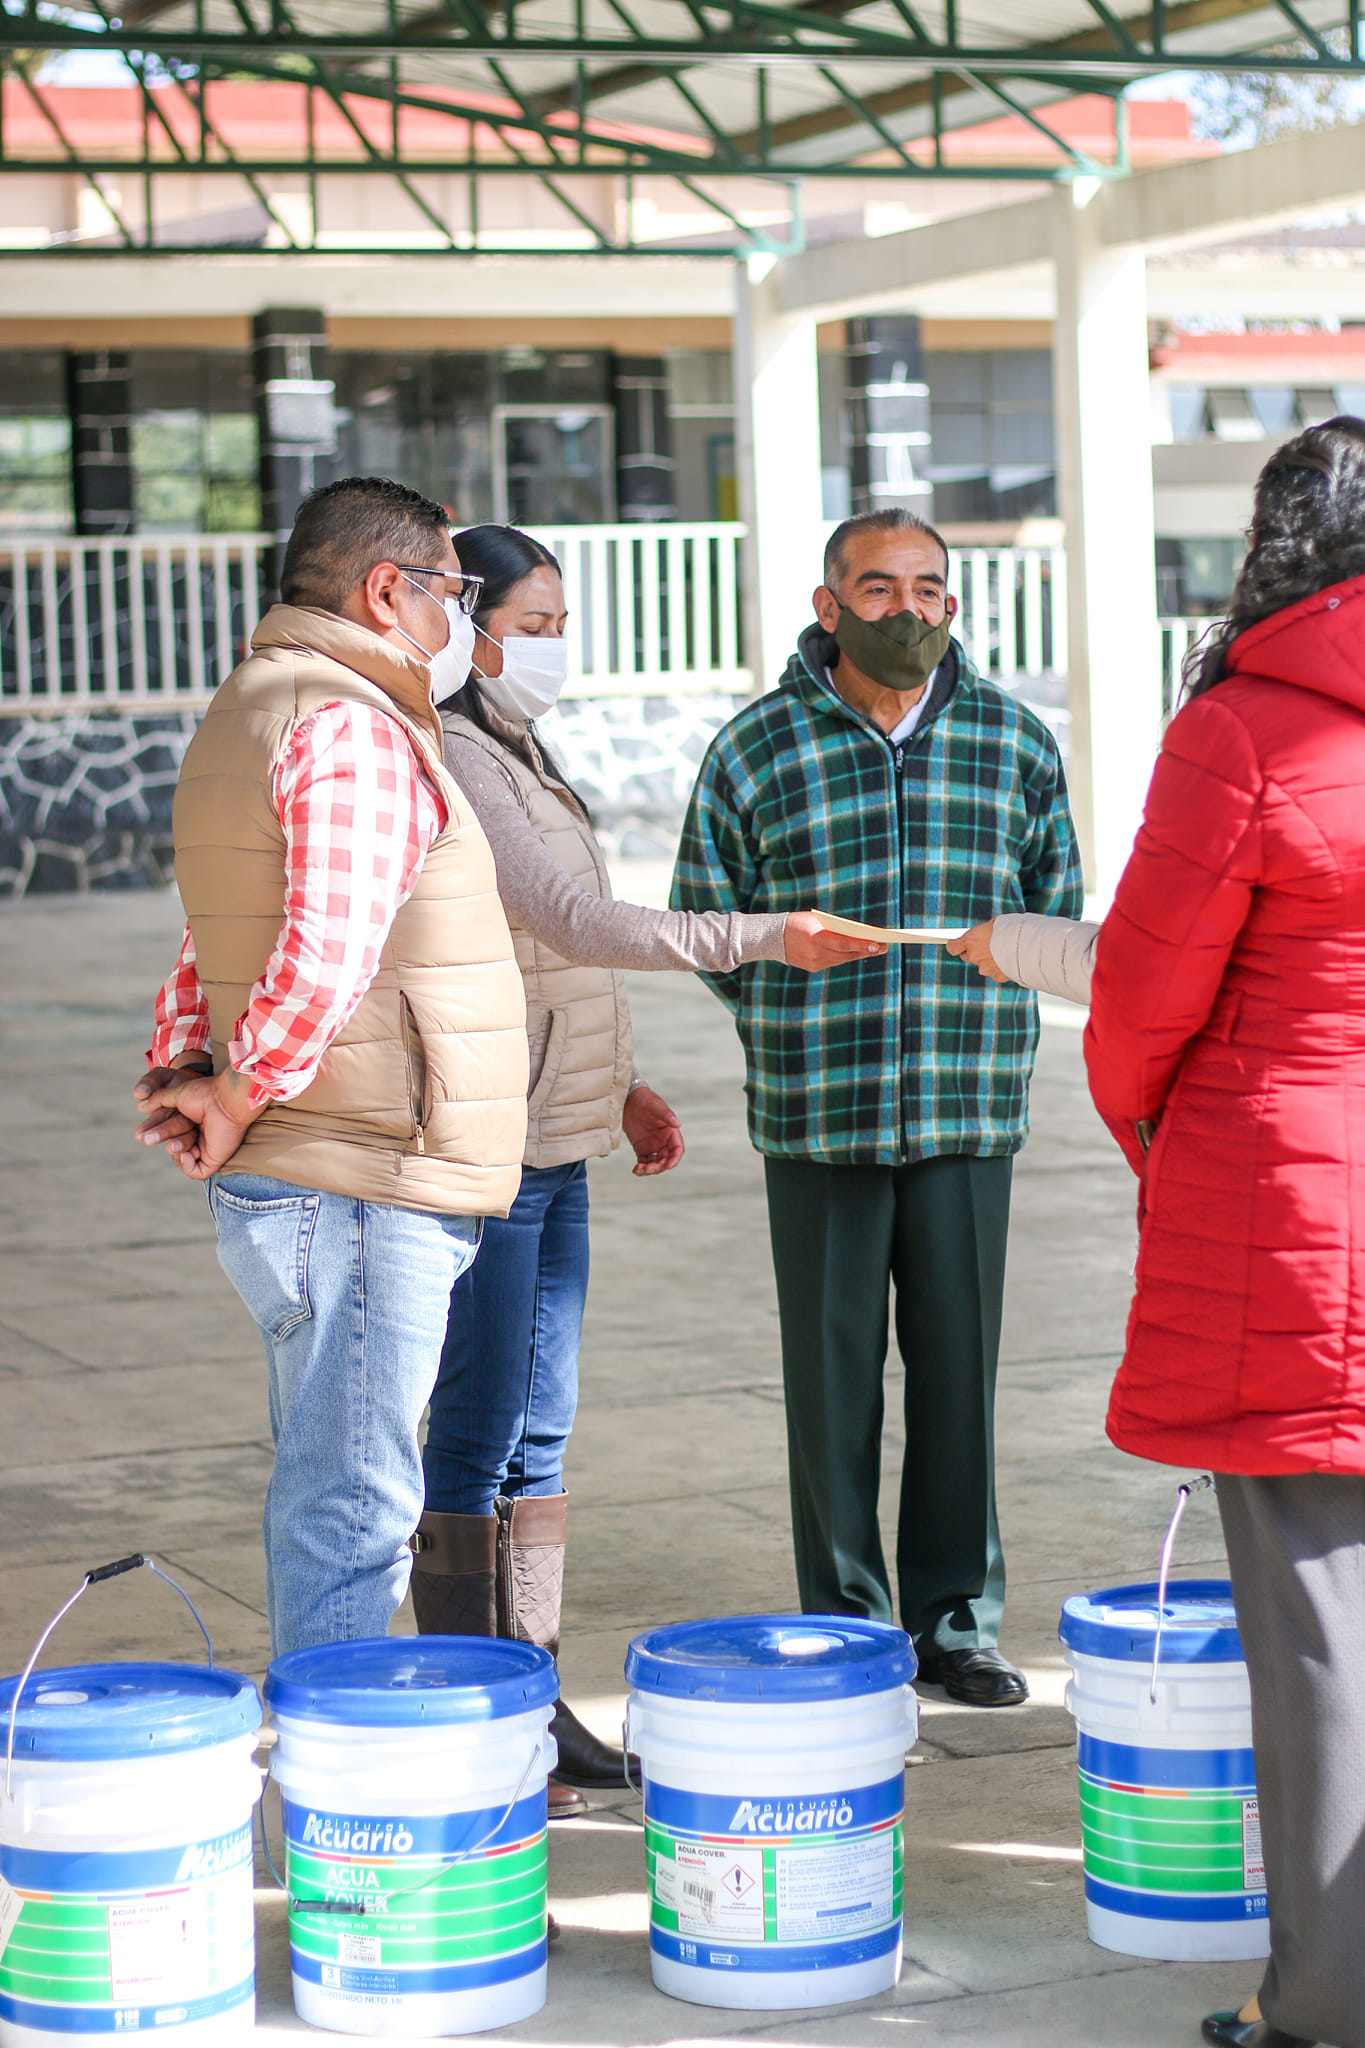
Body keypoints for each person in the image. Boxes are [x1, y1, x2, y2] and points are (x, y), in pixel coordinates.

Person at [410, 523, 880, 1813]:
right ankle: (463, 1710)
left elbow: (551, 957)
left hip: (560, 1136)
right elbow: (570, 922)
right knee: (476, 1434)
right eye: (536, 622)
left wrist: (619, 1081)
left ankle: (531, 1692)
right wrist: (766, 934)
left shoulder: (516, 746)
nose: (554, 646)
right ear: (467, 621)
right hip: (491, 1144)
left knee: (541, 1434)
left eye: (563, 621)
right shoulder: (451, 751)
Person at [672, 507, 1084, 1708]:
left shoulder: (1014, 741)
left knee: (961, 1376)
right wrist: (782, 1026)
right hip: (819, 1110)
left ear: (953, 603)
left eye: (927, 588)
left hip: (967, 1106)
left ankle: (957, 1620)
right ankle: (851, 1626)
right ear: (828, 604)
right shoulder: (758, 747)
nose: (906, 609)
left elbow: (1054, 913)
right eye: (878, 586)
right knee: (832, 1378)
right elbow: (709, 918)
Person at [132, 476, 529, 1659]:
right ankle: (341, 1807)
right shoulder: (348, 720)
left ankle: (333, 1775)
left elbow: (211, 929)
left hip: (324, 1165)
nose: (462, 616)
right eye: (454, 590)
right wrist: (239, 1086)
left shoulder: (252, 703)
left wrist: (190, 1068)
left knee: (334, 1479)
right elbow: (327, 943)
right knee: (354, 1502)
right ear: (385, 588)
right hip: (360, 1173)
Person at [1082, 418, 1365, 2048]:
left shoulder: (1247, 723)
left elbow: (1139, 1002)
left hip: (1298, 1221)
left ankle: (1320, 2000)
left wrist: (1164, 1134)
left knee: (1322, 1633)